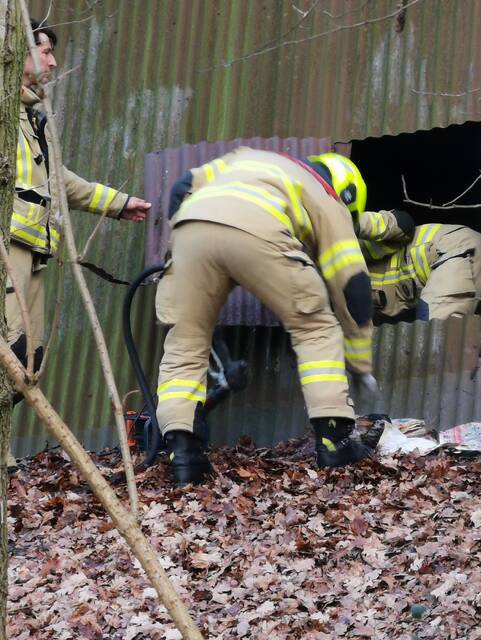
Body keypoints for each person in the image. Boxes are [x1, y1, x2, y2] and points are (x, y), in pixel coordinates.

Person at [156, 149, 379, 485]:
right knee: (315, 328)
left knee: (185, 344)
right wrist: (361, 364)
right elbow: (352, 285)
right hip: (259, 229)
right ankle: (336, 441)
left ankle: (184, 457)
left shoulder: (246, 158)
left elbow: (182, 186)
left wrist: (181, 240)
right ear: (346, 192)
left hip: (191, 228)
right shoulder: (326, 195)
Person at [6, 19, 151, 468]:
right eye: (45, 51)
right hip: (6, 246)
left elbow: (60, 180)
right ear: (18, 51)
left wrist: (118, 203)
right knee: (8, 351)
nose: (52, 61)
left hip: (35, 251)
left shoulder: (34, 117)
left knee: (29, 356)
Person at [356, 210, 481, 321]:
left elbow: (403, 223)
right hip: (458, 271)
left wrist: (350, 222)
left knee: (432, 334)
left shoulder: (348, 242)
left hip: (457, 250)